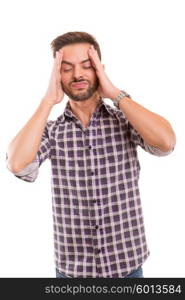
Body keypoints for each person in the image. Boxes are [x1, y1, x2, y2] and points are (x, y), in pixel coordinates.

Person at [6, 31, 176, 278]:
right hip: (72, 273)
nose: (77, 74)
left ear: (99, 69)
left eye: (87, 66)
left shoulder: (125, 119)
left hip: (127, 268)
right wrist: (47, 101)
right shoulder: (52, 131)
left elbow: (166, 143)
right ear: (56, 76)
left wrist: (115, 93)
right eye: (66, 69)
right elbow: (17, 164)